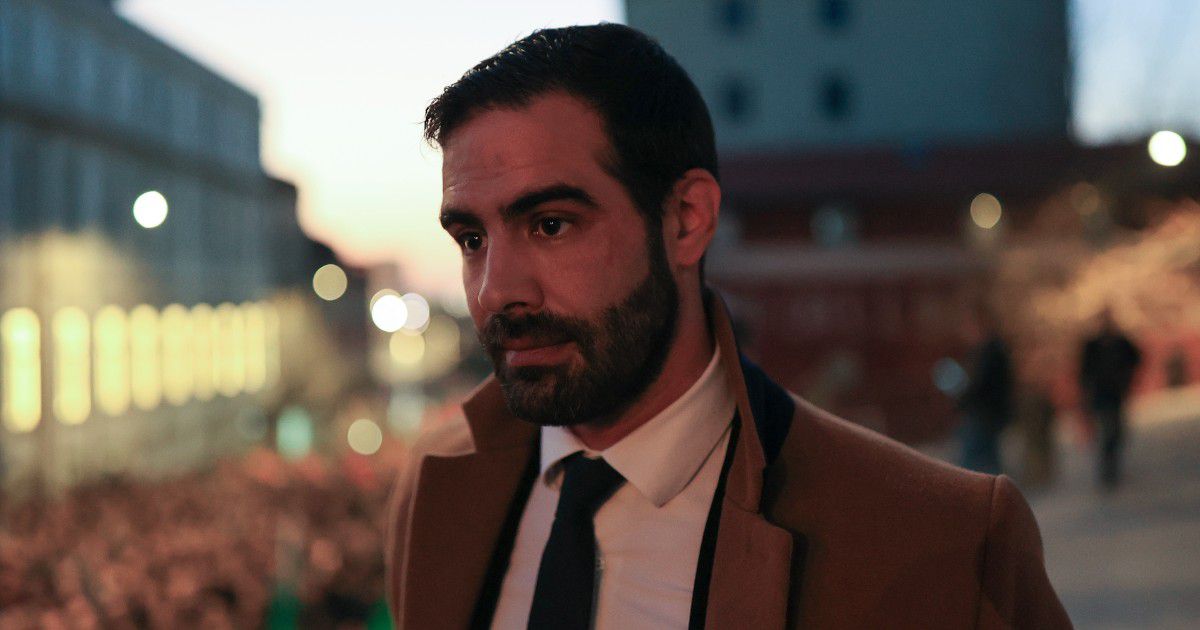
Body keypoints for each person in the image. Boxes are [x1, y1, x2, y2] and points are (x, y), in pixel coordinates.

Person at [386, 24, 1070, 629]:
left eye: (552, 225)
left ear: (688, 219)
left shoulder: (943, 539)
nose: (496, 290)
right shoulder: (440, 489)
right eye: (472, 239)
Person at [1079, 308, 1142, 491]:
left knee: (1116, 432)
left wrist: (1126, 377)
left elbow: (1137, 357)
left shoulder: (1121, 342)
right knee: (1108, 431)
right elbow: (1084, 371)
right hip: (1100, 395)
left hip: (1116, 393)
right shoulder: (1092, 345)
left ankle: (1111, 468)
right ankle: (1108, 470)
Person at [956, 306, 1014, 475]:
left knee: (974, 463)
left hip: (984, 414)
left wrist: (963, 398)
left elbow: (980, 385)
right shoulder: (988, 350)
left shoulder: (990, 352)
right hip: (986, 413)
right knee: (986, 460)